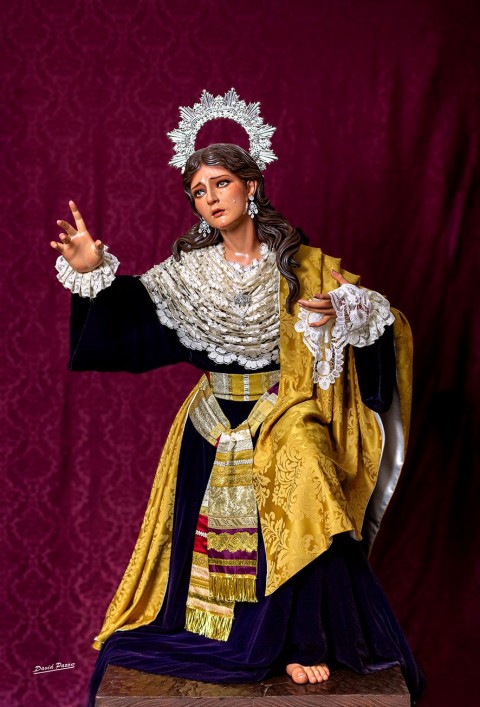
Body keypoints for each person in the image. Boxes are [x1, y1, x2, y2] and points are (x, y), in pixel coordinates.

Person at [51, 90, 425, 703]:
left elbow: (383, 327)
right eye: (198, 191)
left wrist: (347, 313)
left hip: (284, 409)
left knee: (306, 474)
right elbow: (129, 324)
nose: (211, 197)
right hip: (210, 423)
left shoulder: (302, 265)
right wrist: (93, 273)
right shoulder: (187, 275)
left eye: (221, 183)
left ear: (251, 185)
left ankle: (306, 637)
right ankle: (221, 634)